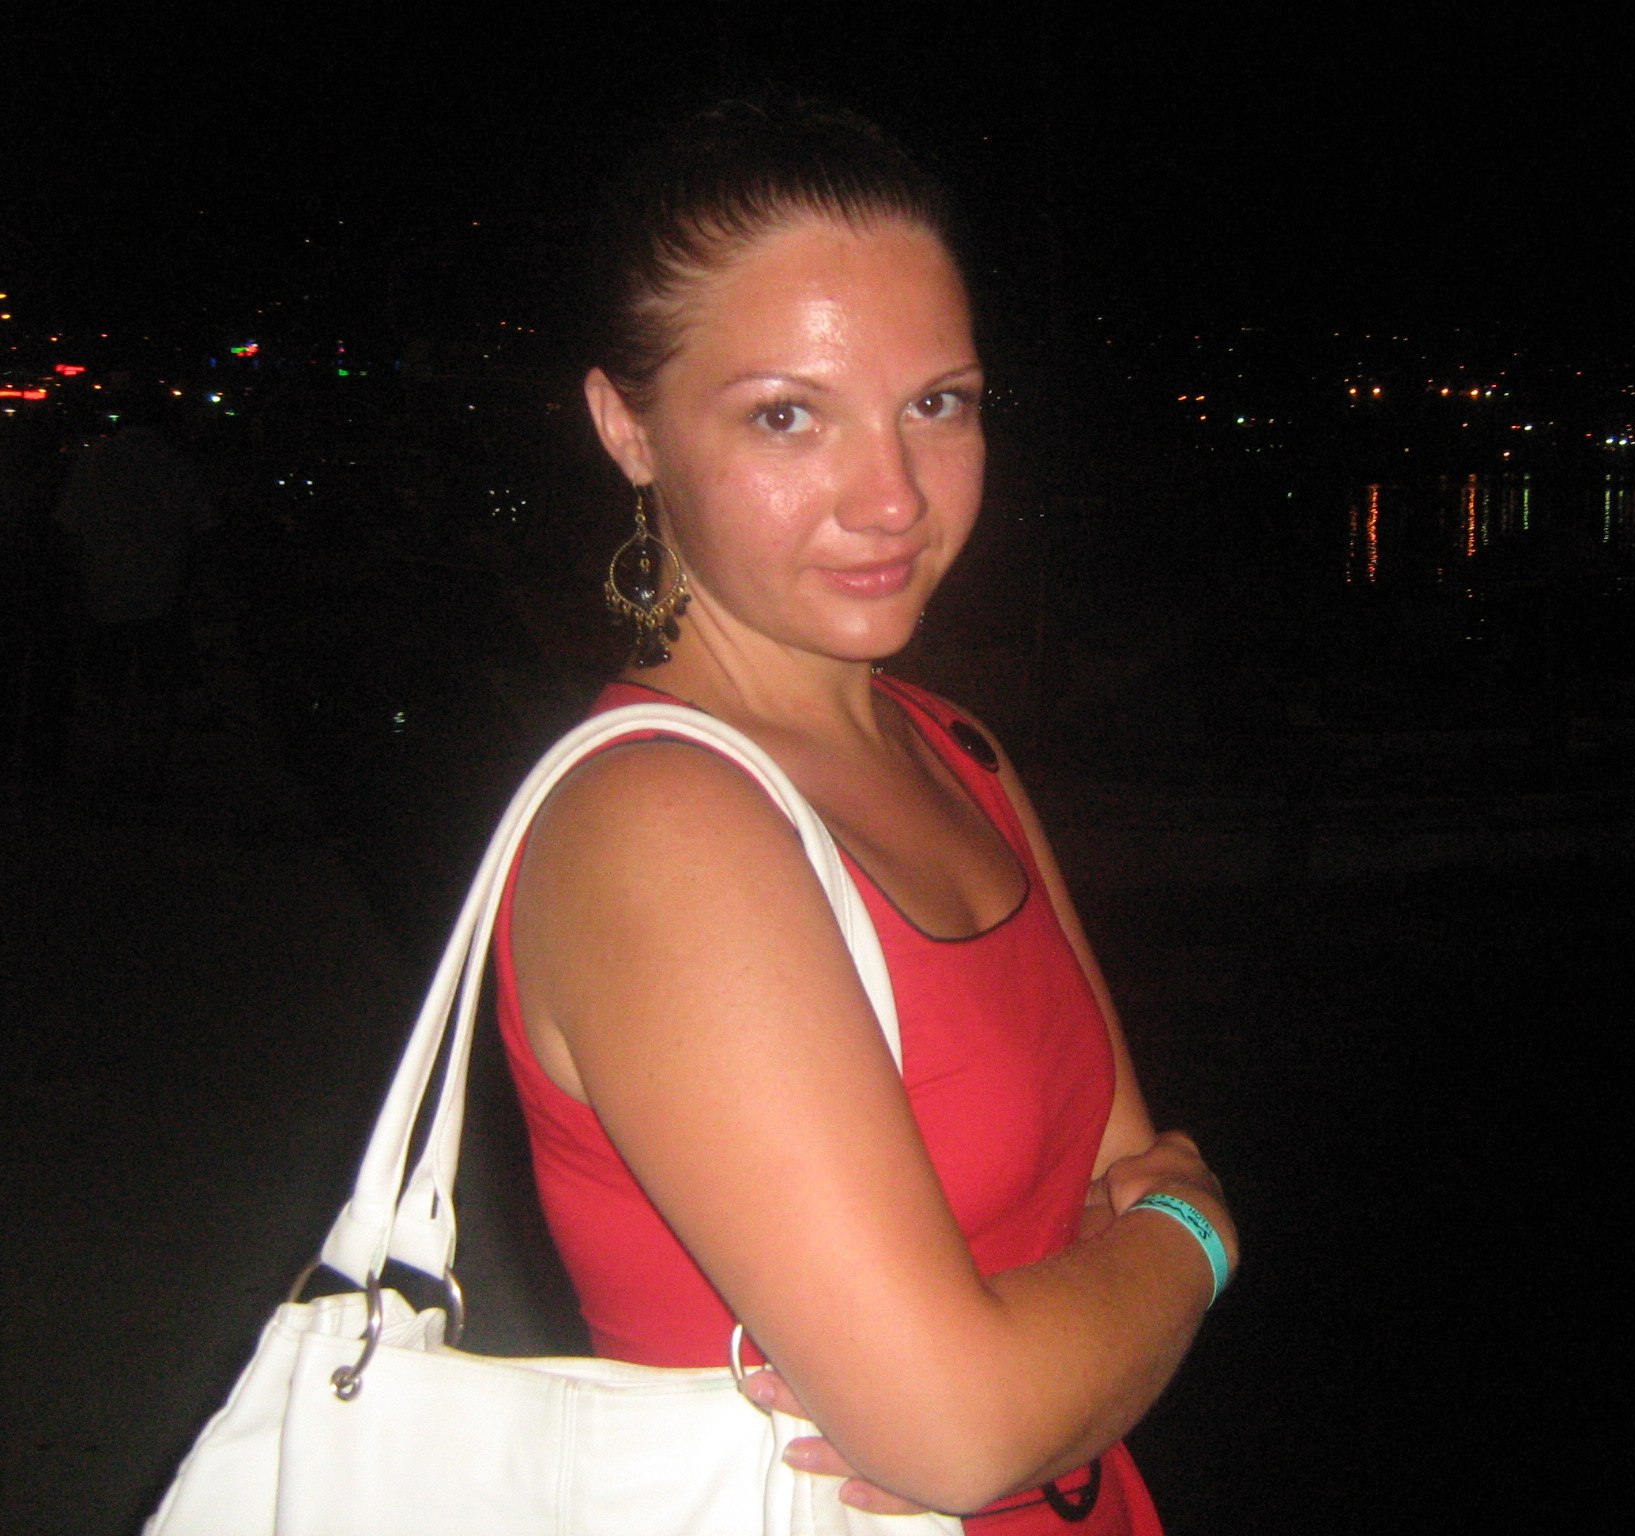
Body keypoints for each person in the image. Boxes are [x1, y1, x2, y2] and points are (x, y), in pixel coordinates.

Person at [493, 98, 1236, 1531]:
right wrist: (1198, 1238)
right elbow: (963, 1428)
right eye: (787, 415)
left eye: (936, 405)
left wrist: (1114, 1275)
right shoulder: (663, 818)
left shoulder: (959, 751)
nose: (891, 497)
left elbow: (1117, 1167)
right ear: (627, 428)